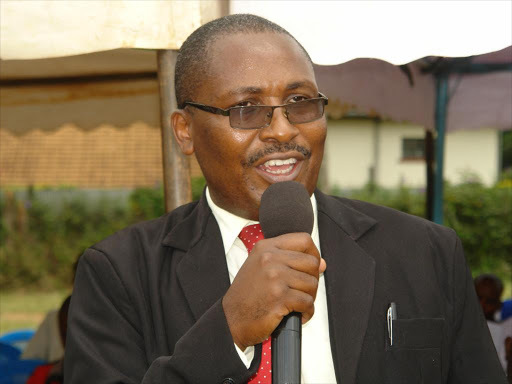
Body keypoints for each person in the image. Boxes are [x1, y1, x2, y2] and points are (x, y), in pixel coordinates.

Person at [64, 14, 506, 384]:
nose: (281, 130)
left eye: (300, 102)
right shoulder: (118, 273)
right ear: (186, 131)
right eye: (247, 109)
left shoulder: (425, 252)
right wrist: (230, 329)